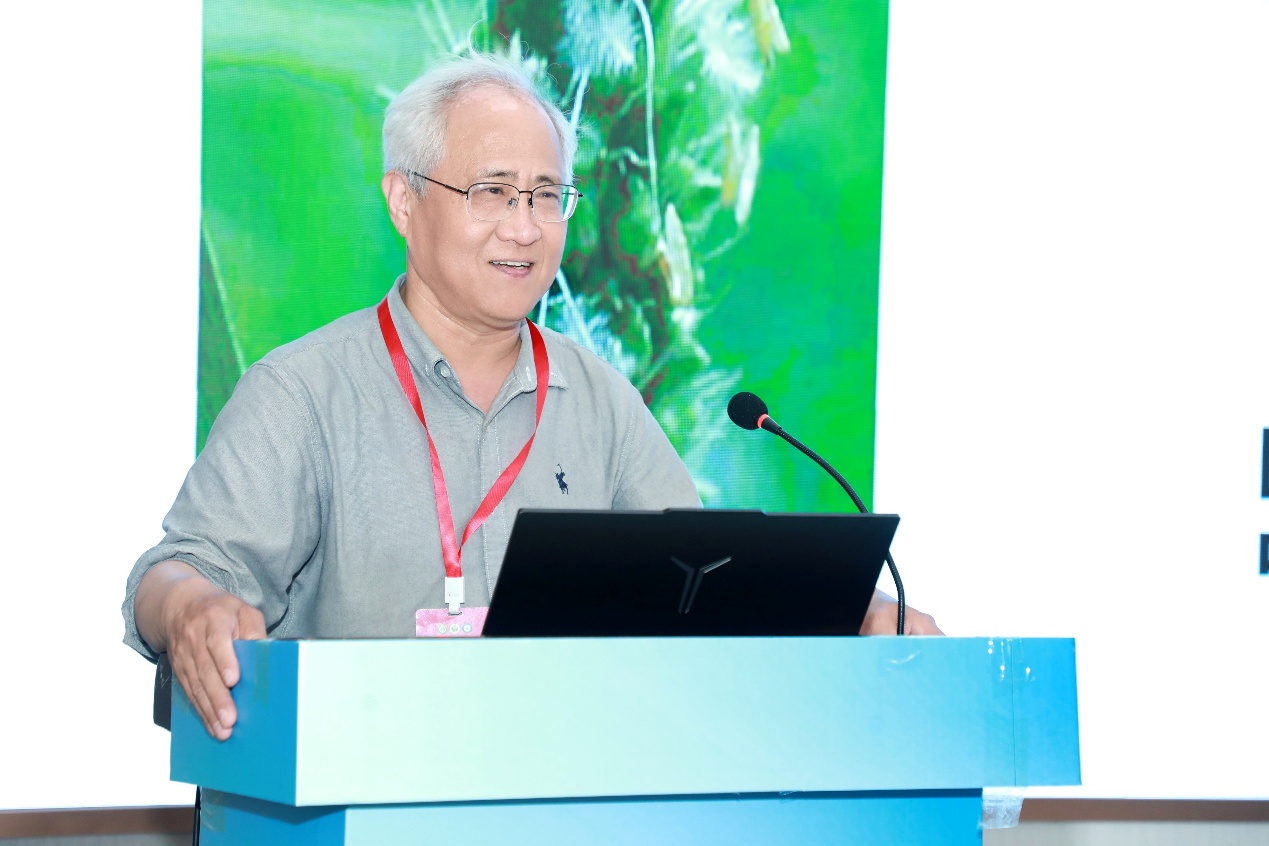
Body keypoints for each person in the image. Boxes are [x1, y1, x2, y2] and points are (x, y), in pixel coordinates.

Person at [123, 53, 939, 742]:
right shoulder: (304, 392)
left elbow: (709, 582)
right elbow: (173, 573)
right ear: (404, 201)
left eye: (547, 195)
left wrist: (858, 611)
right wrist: (190, 608)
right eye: (491, 191)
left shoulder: (600, 401)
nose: (524, 227)